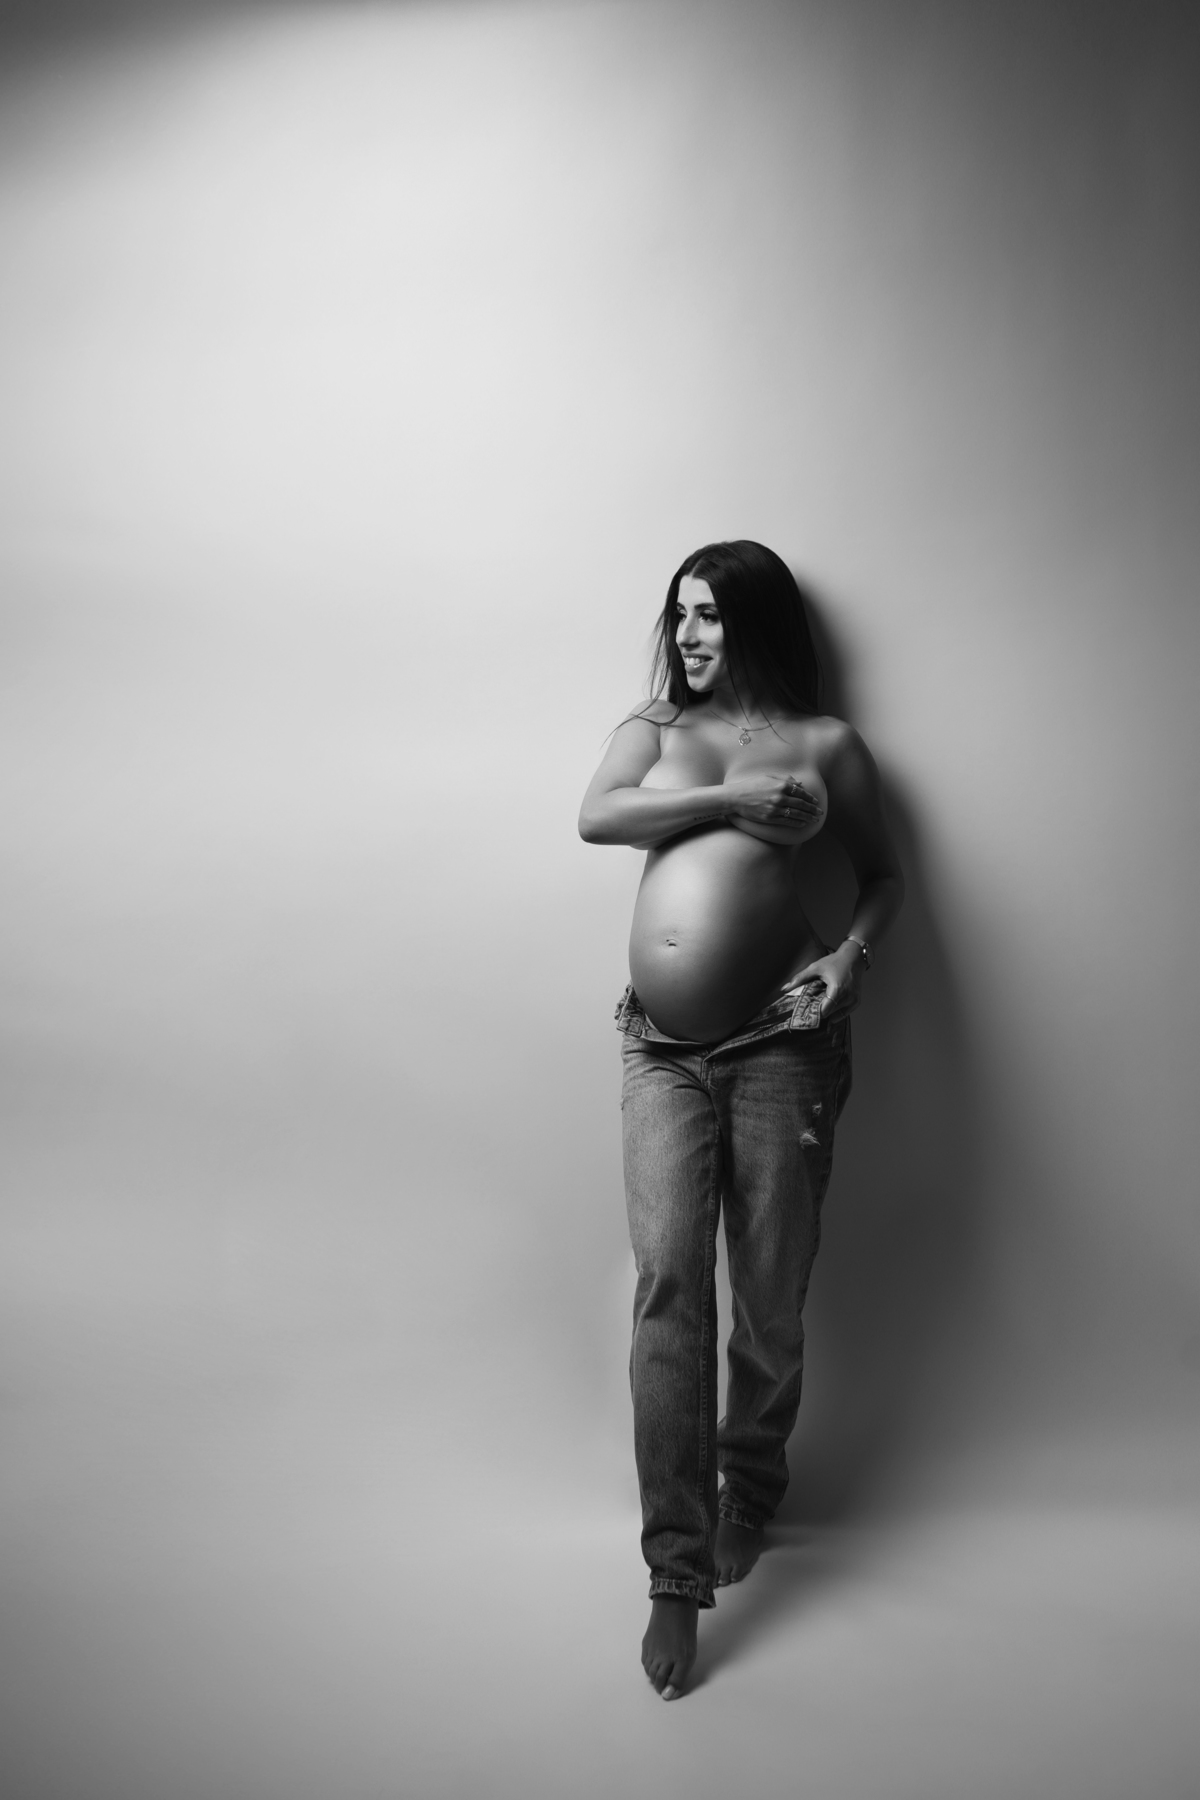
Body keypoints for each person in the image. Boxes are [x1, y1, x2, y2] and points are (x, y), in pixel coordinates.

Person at [578, 540, 903, 1700]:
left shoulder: (828, 746)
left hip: (782, 1041)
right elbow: (598, 816)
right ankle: (674, 1574)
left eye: (711, 615)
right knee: (671, 1279)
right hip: (659, 1049)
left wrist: (851, 959)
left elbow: (882, 874)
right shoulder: (654, 728)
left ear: (758, 623)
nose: (690, 634)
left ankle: (748, 1490)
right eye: (681, 614)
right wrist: (729, 800)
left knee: (768, 1287)